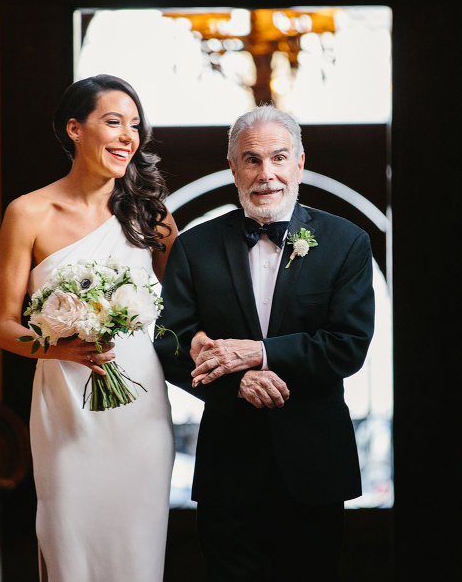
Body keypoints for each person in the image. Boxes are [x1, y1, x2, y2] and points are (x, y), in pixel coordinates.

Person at [154, 106, 375, 581]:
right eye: (251, 160)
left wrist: (258, 352)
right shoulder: (194, 247)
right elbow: (170, 341)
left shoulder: (346, 242)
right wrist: (235, 384)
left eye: (278, 158)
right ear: (233, 168)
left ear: (299, 162)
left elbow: (348, 345)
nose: (266, 174)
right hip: (227, 467)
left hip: (315, 465)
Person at [0, 75, 177, 581]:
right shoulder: (28, 213)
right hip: (66, 405)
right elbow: (3, 326)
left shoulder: (152, 216)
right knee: (69, 542)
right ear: (74, 128)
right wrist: (57, 348)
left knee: (137, 551)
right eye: (112, 122)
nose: (127, 137)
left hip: (141, 408)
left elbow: (176, 315)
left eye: (134, 126)